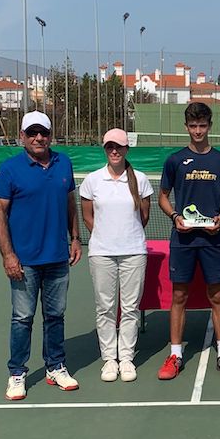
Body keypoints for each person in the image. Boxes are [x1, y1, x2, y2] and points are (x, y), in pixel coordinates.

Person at [0, 111, 82, 401]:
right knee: (22, 318)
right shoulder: (9, 169)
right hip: (24, 261)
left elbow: (70, 203)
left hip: (57, 257)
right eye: (32, 133)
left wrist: (76, 238)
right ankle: (17, 373)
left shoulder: (63, 163)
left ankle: (55, 366)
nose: (38, 138)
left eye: (43, 132)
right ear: (22, 136)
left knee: (55, 316)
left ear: (50, 135)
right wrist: (8, 255)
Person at [157, 102, 220, 380]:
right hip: (183, 239)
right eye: (193, 126)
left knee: (217, 295)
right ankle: (176, 355)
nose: (197, 131)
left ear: (209, 126)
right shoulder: (174, 160)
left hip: (212, 239)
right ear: (186, 127)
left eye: (202, 126)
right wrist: (175, 216)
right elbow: (163, 196)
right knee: (178, 295)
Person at [80, 128, 154, 382]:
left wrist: (125, 236)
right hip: (101, 254)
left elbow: (143, 216)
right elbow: (88, 216)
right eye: (110, 146)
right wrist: (104, 236)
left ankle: (127, 359)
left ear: (126, 149)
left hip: (133, 252)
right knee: (105, 309)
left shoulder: (141, 180)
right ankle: (110, 359)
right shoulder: (92, 180)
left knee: (130, 308)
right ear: (104, 149)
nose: (114, 151)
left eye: (119, 147)